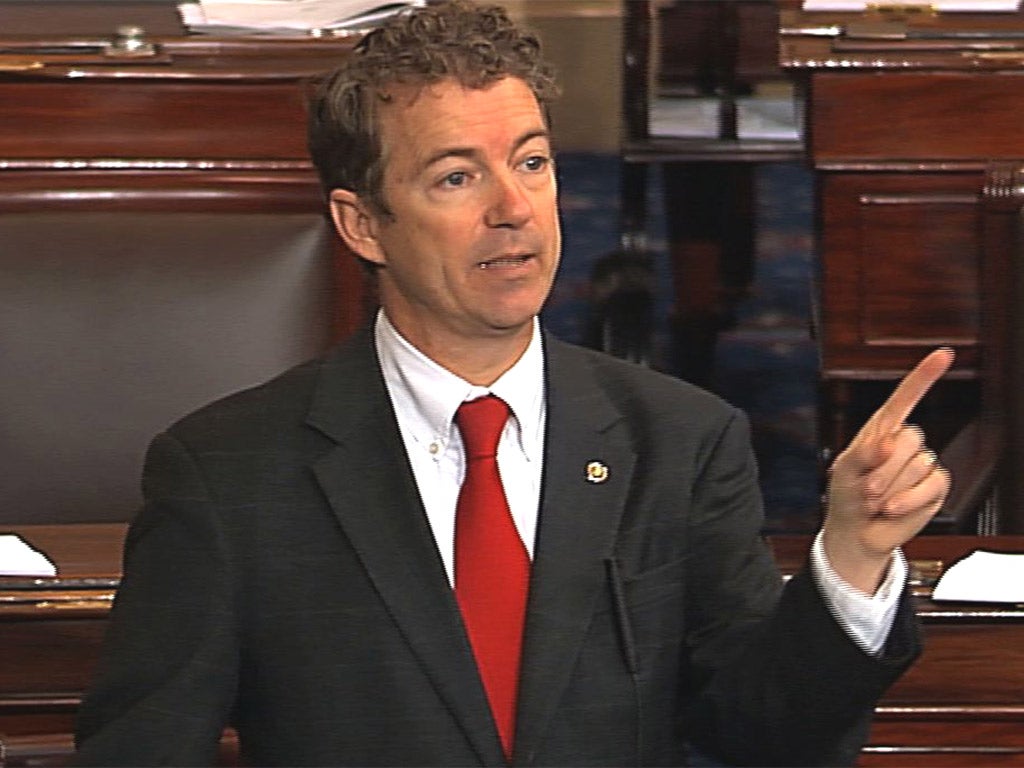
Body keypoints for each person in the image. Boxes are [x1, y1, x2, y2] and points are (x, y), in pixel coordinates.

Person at [73, 2, 953, 766]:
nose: (513, 208)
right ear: (362, 222)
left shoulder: (679, 440)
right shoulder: (229, 473)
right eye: (458, 176)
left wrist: (853, 555)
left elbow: (766, 737)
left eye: (532, 163)